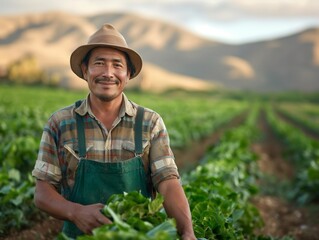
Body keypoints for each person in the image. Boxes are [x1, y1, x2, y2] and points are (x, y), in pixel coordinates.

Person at [32, 23, 196, 240]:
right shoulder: (60, 123)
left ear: (128, 74)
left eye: (117, 65)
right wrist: (76, 212)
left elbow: (167, 182)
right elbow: (42, 192)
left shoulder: (149, 122)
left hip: (138, 235)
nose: (108, 73)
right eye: (99, 63)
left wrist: (187, 232)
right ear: (85, 70)